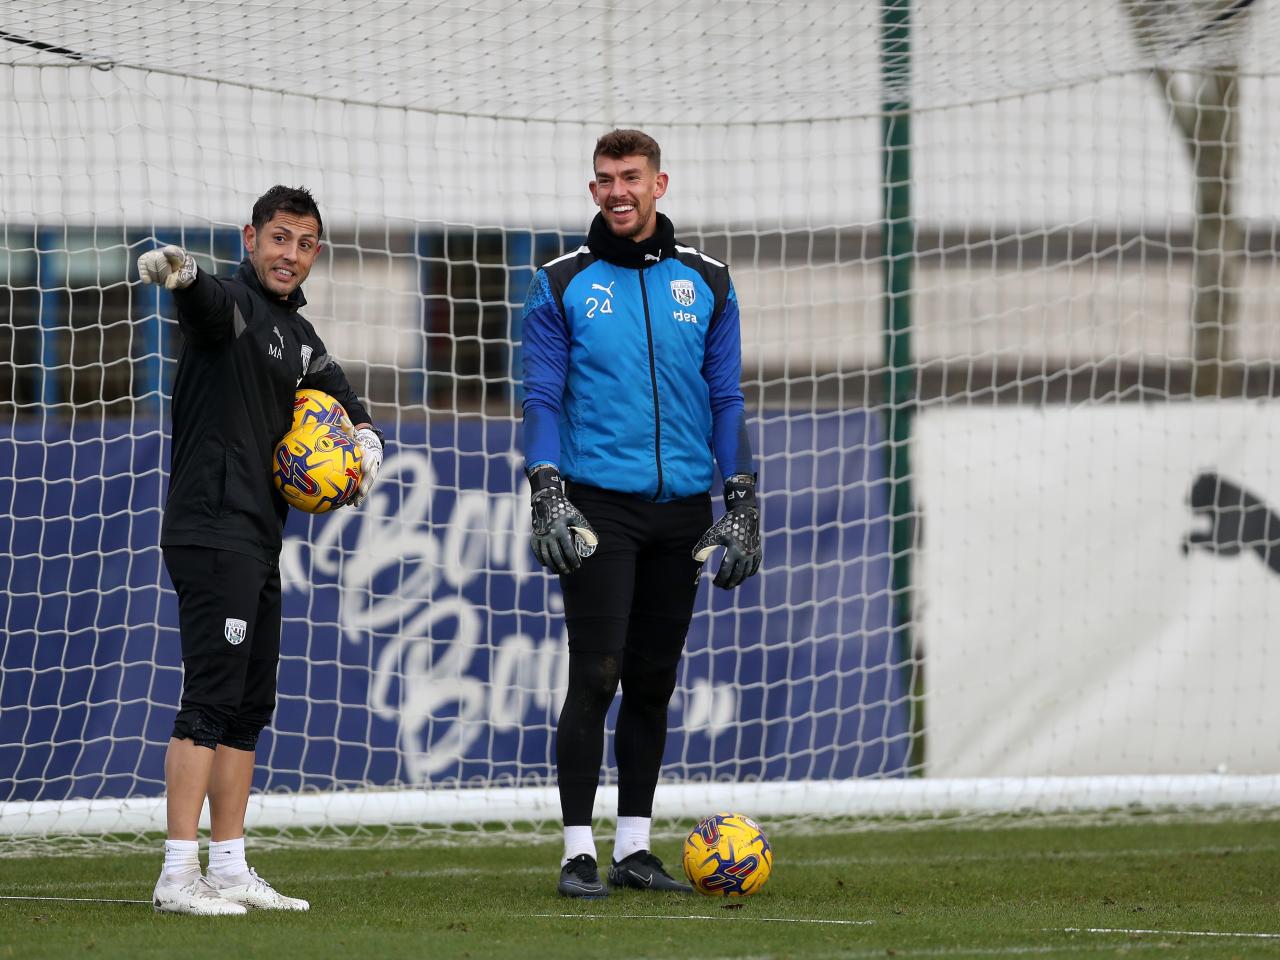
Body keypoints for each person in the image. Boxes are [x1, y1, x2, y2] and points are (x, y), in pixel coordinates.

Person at [521, 130, 762, 898]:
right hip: (600, 508)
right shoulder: (560, 282)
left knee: (654, 681)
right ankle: (575, 854)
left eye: (631, 178)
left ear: (661, 184)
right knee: (596, 673)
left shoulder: (710, 282)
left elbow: (727, 398)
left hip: (683, 510)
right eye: (604, 180)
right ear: (592, 191)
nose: (617, 192)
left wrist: (742, 496)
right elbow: (540, 398)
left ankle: (633, 849)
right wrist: (546, 487)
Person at [136, 185, 385, 915]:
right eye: (280, 238)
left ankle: (231, 866)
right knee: (210, 702)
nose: (291, 255)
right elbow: (207, 304)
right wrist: (184, 279)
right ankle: (178, 875)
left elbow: (343, 398)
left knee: (248, 707)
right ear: (252, 238)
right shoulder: (235, 308)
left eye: (305, 244)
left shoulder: (299, 337)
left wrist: (366, 441)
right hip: (210, 528)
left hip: (256, 536)